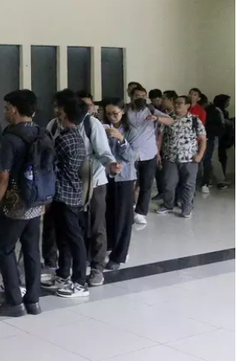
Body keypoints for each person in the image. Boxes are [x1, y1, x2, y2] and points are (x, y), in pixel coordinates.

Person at [46, 90, 119, 287]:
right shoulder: (54, 125)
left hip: (92, 180)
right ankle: (63, 270)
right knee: (63, 229)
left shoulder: (90, 124)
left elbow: (104, 152)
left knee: (95, 226)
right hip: (63, 186)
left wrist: (111, 165)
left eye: (59, 108)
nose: (56, 112)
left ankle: (96, 268)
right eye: (55, 108)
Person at [0, 90, 44, 317]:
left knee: (5, 247)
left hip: (14, 204)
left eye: (6, 108)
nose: (5, 112)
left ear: (14, 109)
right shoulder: (41, 133)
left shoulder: (10, 138)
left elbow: (3, 176)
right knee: (31, 250)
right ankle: (33, 301)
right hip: (37, 202)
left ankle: (13, 302)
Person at [43, 97, 89, 298]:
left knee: (74, 239)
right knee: (62, 238)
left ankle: (80, 282)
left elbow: (48, 160)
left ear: (68, 115)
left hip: (66, 195)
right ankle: (63, 274)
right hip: (66, 194)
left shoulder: (64, 139)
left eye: (61, 113)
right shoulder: (76, 136)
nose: (58, 116)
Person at [126, 86, 173, 227]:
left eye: (143, 95)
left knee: (146, 185)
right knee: (129, 184)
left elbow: (171, 121)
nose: (140, 98)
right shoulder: (125, 110)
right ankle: (129, 207)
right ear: (131, 96)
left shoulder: (151, 109)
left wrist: (157, 118)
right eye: (137, 95)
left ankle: (141, 213)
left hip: (149, 153)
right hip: (129, 153)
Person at [102, 99, 138, 270]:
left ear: (123, 111)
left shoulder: (131, 130)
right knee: (106, 214)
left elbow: (132, 156)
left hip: (124, 178)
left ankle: (119, 255)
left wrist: (121, 139)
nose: (112, 117)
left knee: (123, 218)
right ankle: (107, 247)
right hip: (106, 176)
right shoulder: (102, 128)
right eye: (108, 113)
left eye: (115, 113)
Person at [157, 96, 206, 218]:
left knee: (188, 185)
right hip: (170, 158)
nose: (177, 105)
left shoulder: (195, 121)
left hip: (190, 159)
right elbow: (160, 138)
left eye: (180, 103)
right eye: (176, 102)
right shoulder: (168, 119)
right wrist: (157, 154)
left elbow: (203, 139)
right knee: (168, 184)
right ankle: (168, 205)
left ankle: (186, 208)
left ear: (188, 105)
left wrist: (200, 155)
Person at [202, 95, 230, 192]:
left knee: (212, 159)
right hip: (210, 138)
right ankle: (209, 180)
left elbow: (220, 126)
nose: (228, 104)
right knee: (208, 160)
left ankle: (219, 181)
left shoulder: (215, 111)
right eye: (227, 101)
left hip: (214, 138)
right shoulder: (214, 110)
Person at [210, 95, 232, 190]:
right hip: (218, 139)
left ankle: (220, 179)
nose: (228, 104)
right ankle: (220, 180)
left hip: (222, 139)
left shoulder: (223, 112)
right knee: (216, 159)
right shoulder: (216, 111)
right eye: (227, 101)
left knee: (220, 158)